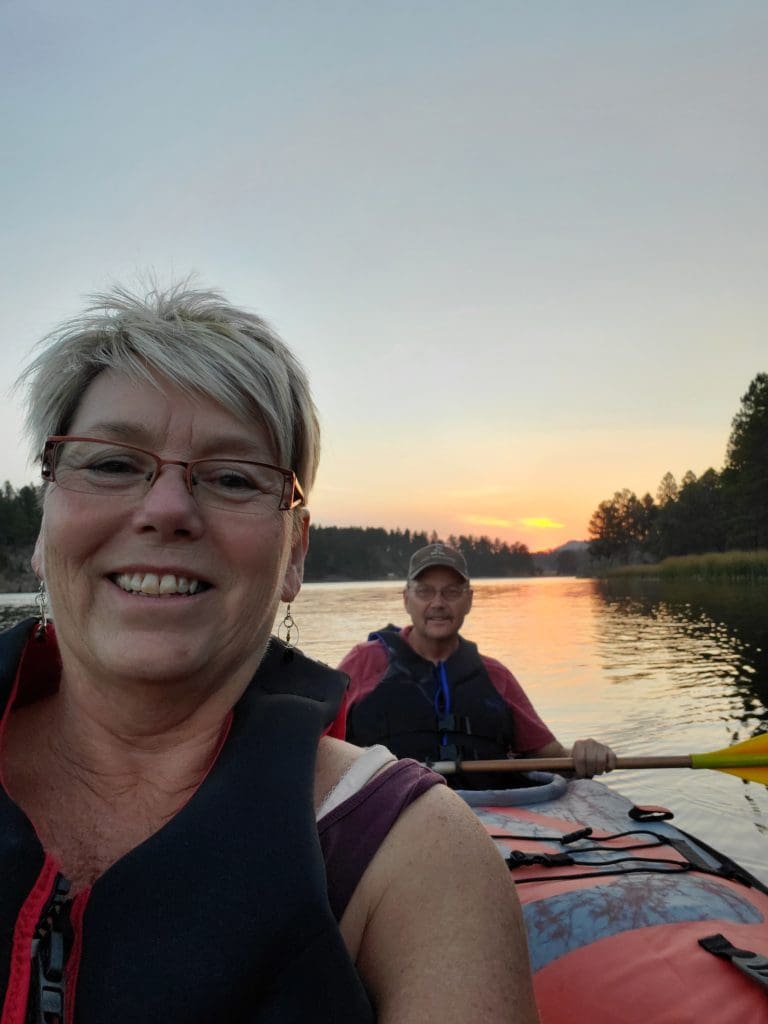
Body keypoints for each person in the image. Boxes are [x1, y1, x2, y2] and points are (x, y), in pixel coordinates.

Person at [1, 282, 540, 1024]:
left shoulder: (412, 856)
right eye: (113, 464)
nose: (165, 510)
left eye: (230, 478)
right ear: (43, 520)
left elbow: (542, 748)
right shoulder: (370, 667)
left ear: (295, 555)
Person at [341, 542, 617, 787]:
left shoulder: (496, 676)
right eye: (425, 591)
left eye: (451, 592)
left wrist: (583, 753)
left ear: (469, 600)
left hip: (490, 817)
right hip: (389, 817)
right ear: (406, 599)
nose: (438, 603)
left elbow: (554, 759)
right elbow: (319, 746)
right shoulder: (363, 662)